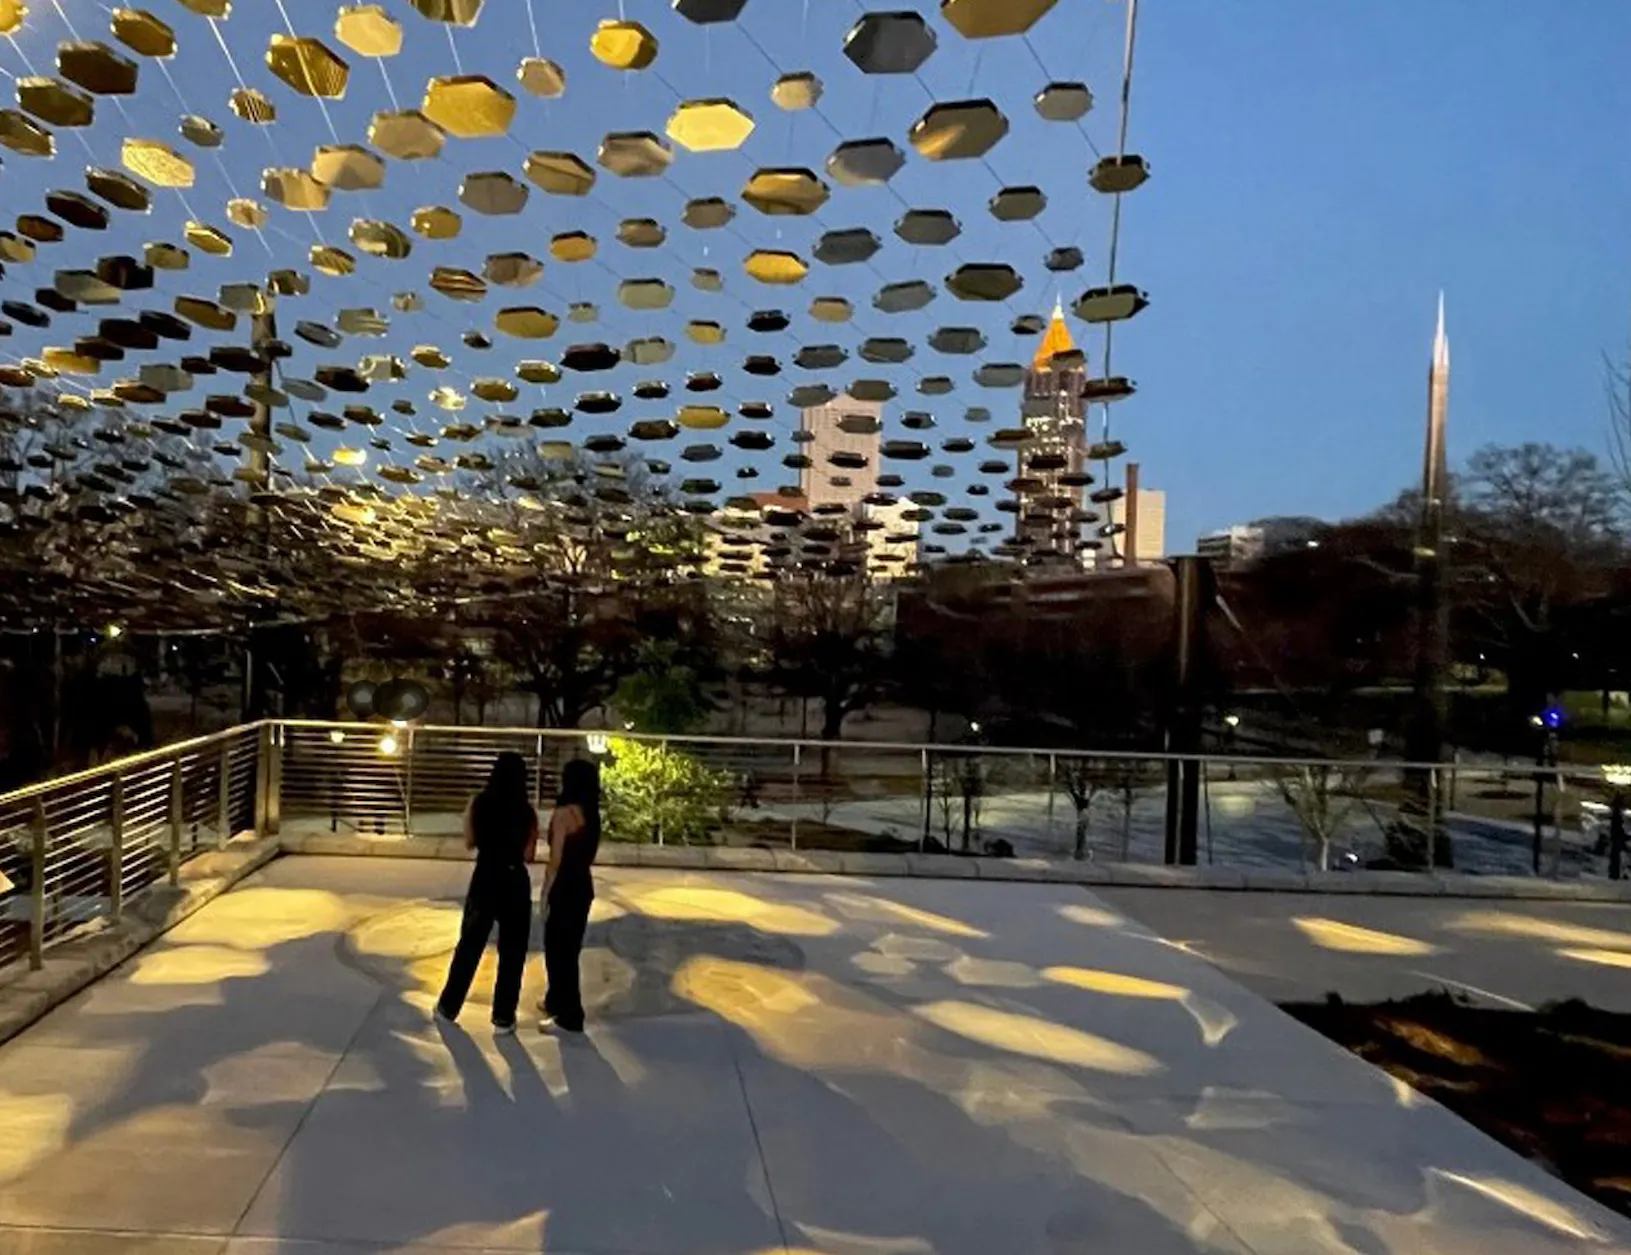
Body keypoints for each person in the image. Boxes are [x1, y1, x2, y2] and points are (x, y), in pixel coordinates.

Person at [436, 751, 538, 1035]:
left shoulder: (479, 803)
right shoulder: (527, 813)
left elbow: (470, 842)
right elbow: (529, 855)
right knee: (513, 951)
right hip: (515, 879)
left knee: (470, 943)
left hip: (486, 875)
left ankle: (448, 1007)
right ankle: (503, 1017)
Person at [538, 757, 601, 1034]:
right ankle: (555, 1000)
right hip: (583, 884)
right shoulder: (591, 815)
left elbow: (555, 859)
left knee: (557, 949)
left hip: (564, 885)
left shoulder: (564, 815)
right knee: (569, 948)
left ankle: (569, 1015)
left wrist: (545, 891)